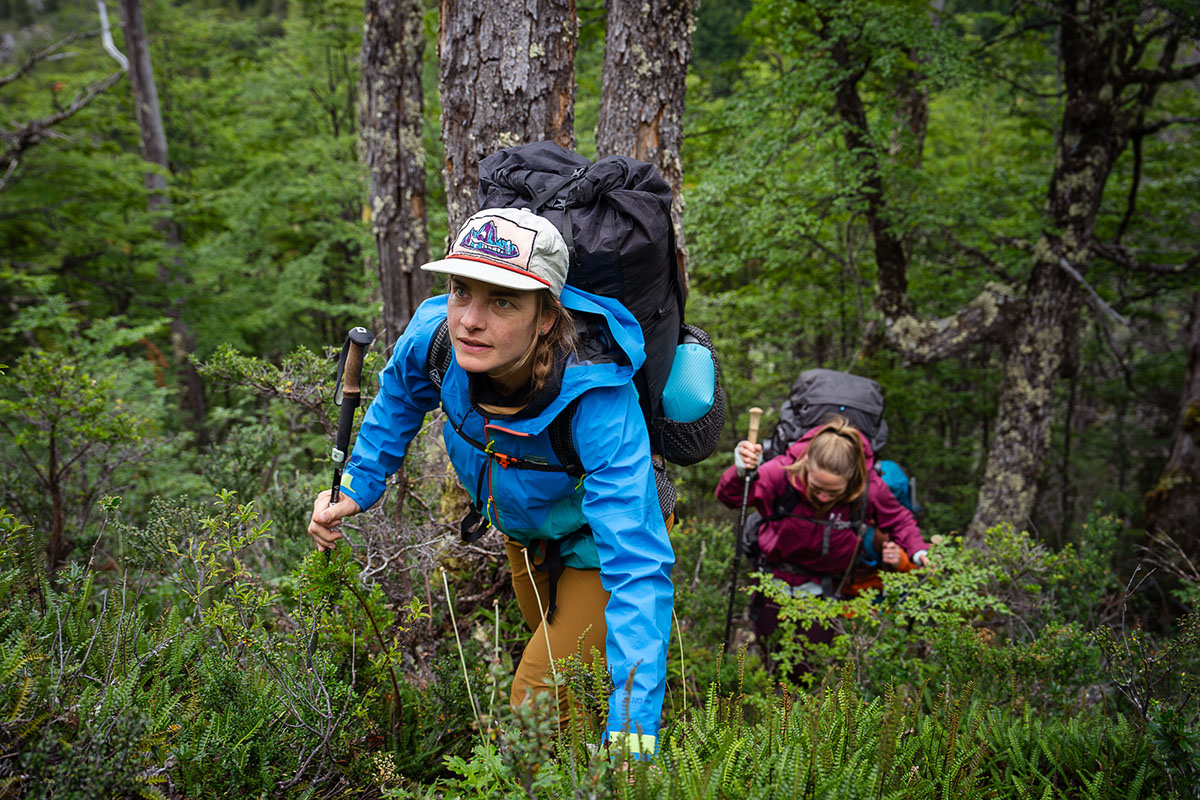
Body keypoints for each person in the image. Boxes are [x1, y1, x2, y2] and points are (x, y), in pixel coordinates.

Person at [307, 207, 673, 758]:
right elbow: (399, 397)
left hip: (601, 546)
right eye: (460, 290)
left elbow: (638, 570)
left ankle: (613, 765)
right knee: (568, 682)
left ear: (547, 315)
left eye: (502, 300)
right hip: (523, 537)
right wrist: (358, 483)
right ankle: (587, 779)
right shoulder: (435, 340)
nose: (470, 320)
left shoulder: (597, 400)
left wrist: (635, 726)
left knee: (536, 704)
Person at [715, 414, 929, 677]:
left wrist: (919, 550)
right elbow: (731, 497)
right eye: (817, 487)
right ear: (806, 463)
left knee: (810, 672)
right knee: (774, 666)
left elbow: (899, 519)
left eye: (834, 492)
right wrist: (740, 473)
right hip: (773, 583)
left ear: (851, 479)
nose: (824, 497)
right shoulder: (780, 472)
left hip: (827, 590)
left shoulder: (868, 487)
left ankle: (803, 716)